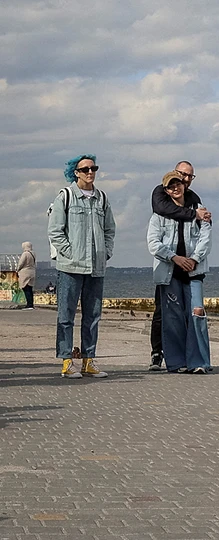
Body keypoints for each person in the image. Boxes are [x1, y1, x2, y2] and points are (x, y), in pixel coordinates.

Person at [47, 154, 115, 379]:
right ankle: (67, 361)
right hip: (70, 267)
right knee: (65, 315)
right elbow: (55, 230)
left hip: (96, 267)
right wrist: (69, 252)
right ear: (75, 172)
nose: (90, 172)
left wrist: (105, 252)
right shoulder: (65, 197)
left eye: (93, 168)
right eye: (84, 169)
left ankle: (88, 360)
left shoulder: (102, 198)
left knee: (93, 315)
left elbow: (109, 229)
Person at [148, 161, 211, 371]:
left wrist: (194, 258)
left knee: (197, 313)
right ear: (166, 188)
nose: (179, 185)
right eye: (173, 183)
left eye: (185, 180)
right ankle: (174, 362)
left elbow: (205, 236)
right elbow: (153, 242)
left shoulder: (197, 205)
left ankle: (199, 361)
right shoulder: (159, 208)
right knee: (171, 317)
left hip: (194, 271)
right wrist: (174, 258)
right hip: (169, 272)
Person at [17, 241, 36, 310]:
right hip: (32, 272)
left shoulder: (25, 254)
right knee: (30, 288)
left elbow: (21, 263)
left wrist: (17, 269)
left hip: (25, 272)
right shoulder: (33, 253)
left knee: (25, 288)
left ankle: (29, 305)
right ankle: (31, 304)